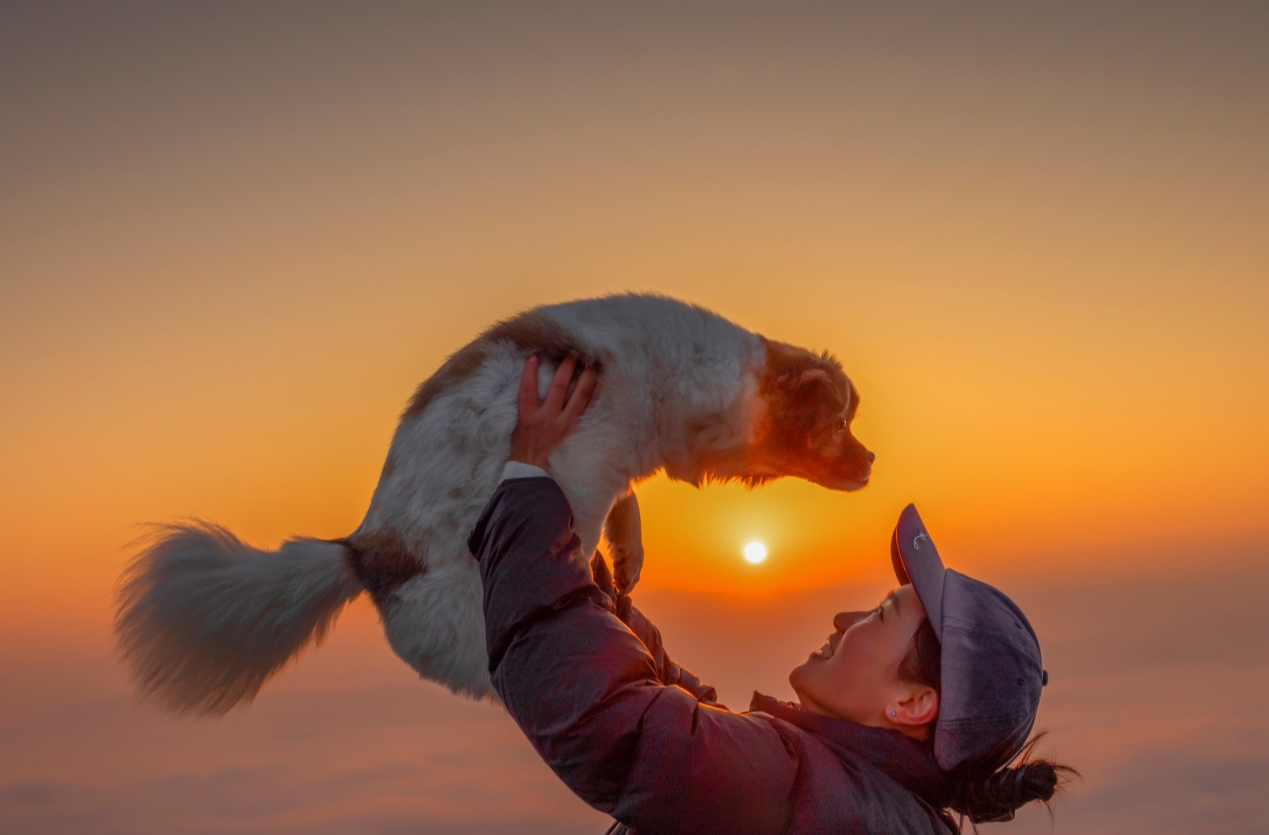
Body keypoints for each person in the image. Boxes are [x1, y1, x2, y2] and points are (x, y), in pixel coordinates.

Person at [467, 354, 1072, 834]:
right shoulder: (860, 799)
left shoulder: (797, 793)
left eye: (881, 614)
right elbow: (692, 719)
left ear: (912, 704)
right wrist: (596, 588)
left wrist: (531, 481)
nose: (844, 618)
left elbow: (610, 724)